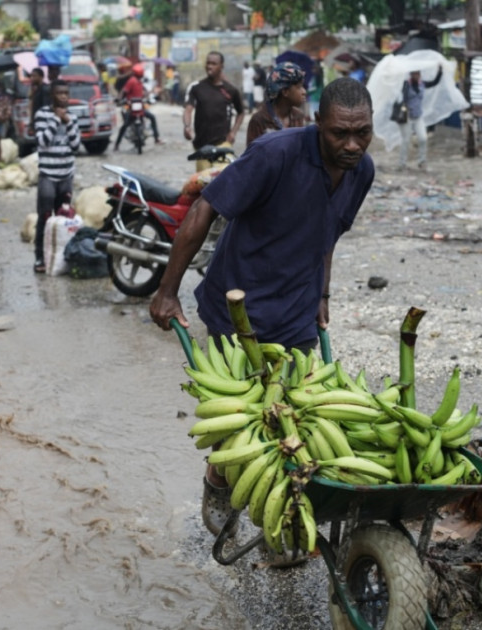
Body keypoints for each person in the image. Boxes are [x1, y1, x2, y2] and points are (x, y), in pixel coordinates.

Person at [149, 78, 375, 537]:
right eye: (339, 133)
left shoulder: (361, 171)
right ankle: (218, 477)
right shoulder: (276, 153)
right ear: (317, 124)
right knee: (241, 416)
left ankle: (285, 510)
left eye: (362, 133)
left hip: (297, 309)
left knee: (298, 415)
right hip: (239, 306)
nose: (351, 145)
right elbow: (203, 210)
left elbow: (327, 235)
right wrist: (167, 290)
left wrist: (322, 296)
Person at [33, 79, 81, 273]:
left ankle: (61, 257)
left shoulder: (73, 116)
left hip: (66, 175)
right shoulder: (42, 115)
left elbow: (76, 146)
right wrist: (55, 120)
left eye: (66, 93)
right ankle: (39, 257)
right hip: (48, 175)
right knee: (44, 217)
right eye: (60, 93)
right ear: (52, 95)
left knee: (64, 218)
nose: (63, 97)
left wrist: (68, 123)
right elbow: (42, 142)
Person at [183, 51, 245, 171]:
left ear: (221, 66)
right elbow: (188, 109)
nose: (209, 66)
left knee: (222, 178)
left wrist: (233, 132)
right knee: (203, 183)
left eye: (214, 63)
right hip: (202, 146)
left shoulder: (230, 90)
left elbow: (241, 112)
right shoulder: (197, 88)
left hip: (222, 144)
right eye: (208, 63)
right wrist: (187, 126)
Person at [245, 61, 307, 146]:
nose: (304, 92)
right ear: (285, 92)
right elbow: (253, 155)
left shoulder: (298, 116)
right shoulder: (259, 120)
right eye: (299, 87)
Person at [397, 68, 442, 171]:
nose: (417, 76)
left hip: (418, 116)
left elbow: (434, 82)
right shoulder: (406, 84)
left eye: (418, 74)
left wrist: (440, 71)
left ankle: (422, 161)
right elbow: (402, 97)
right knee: (406, 140)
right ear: (411, 74)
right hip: (407, 116)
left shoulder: (422, 84)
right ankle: (402, 163)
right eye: (415, 74)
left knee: (423, 138)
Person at [113, 63, 162, 150]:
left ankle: (156, 138)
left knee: (152, 117)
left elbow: (145, 93)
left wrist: (152, 96)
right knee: (125, 125)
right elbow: (124, 91)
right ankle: (117, 144)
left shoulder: (139, 82)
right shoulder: (132, 81)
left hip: (140, 108)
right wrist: (119, 98)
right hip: (132, 108)